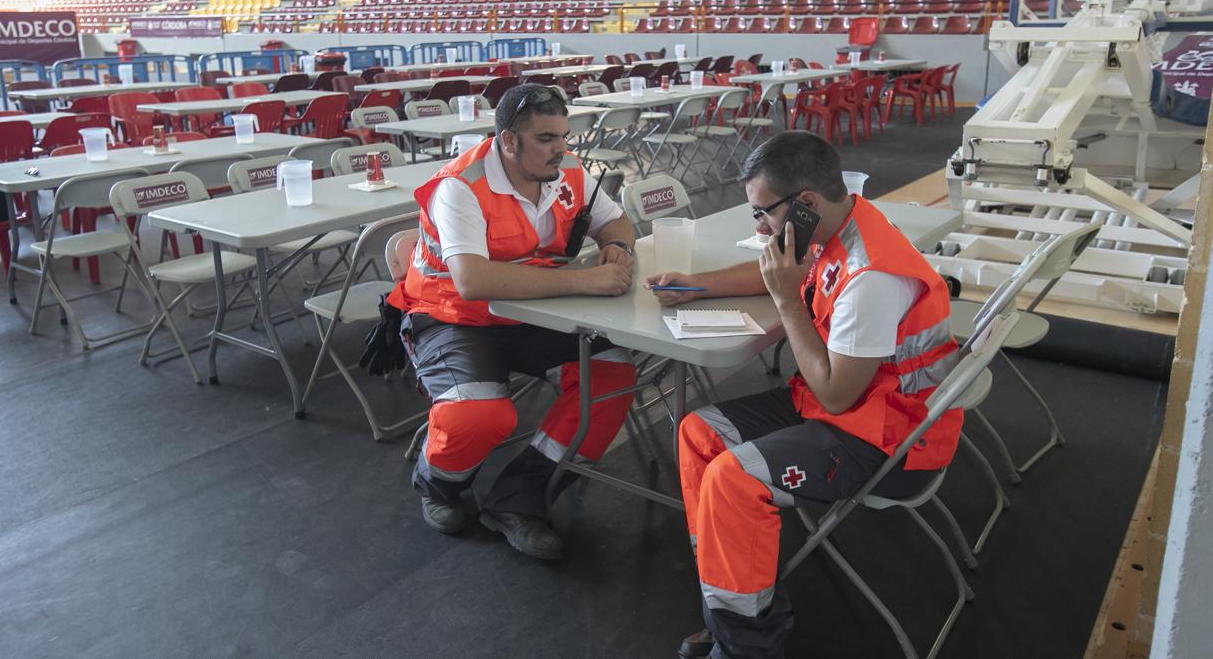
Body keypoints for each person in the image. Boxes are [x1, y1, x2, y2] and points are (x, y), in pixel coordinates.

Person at [646, 131, 964, 659]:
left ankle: (746, 645)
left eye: (762, 213)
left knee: (732, 479)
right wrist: (697, 284)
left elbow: (837, 395)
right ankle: (738, 608)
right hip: (853, 409)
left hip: (890, 439)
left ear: (805, 205)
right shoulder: (842, 223)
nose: (760, 227)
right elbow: (785, 272)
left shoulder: (872, 277)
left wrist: (788, 304)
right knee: (698, 433)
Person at [386, 84, 639, 560]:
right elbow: (472, 280)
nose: (561, 149)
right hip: (451, 316)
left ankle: (517, 501)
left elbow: (617, 220)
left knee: (612, 379)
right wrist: (586, 282)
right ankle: (439, 486)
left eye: (563, 136)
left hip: (532, 309)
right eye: (546, 138)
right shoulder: (460, 186)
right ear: (507, 141)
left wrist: (617, 248)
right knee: (480, 415)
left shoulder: (567, 171)